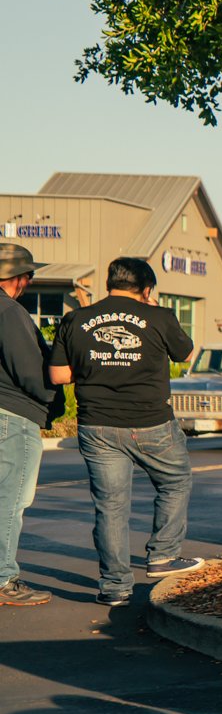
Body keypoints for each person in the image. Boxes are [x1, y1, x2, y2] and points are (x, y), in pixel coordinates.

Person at [48, 257, 203, 605]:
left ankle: (115, 588)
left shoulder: (76, 318)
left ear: (109, 284)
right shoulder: (159, 316)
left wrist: (95, 369)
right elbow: (186, 353)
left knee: (111, 506)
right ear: (146, 289)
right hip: (151, 422)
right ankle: (163, 554)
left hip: (97, 424)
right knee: (175, 482)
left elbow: (58, 375)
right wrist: (157, 312)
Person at [0, 242, 58, 607]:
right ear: (17, 279)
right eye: (30, 275)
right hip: (12, 415)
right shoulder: (10, 313)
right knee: (11, 498)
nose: (30, 282)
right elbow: (30, 372)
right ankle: (4, 578)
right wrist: (53, 402)